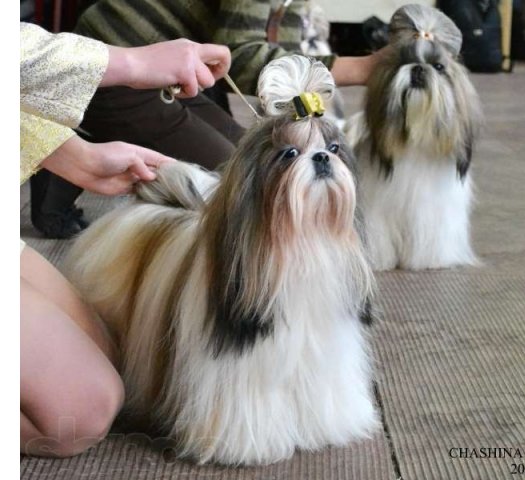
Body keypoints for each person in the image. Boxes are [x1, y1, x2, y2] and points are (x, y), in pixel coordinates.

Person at [20, 22, 231, 457]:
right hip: (90, 68)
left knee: (112, 360)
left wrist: (74, 156)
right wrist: (129, 61)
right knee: (78, 414)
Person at [30, 0, 389, 238]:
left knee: (251, 157)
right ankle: (62, 132)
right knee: (239, 177)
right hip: (110, 69)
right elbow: (245, 56)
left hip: (174, 72)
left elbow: (285, 61)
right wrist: (364, 68)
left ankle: (70, 133)